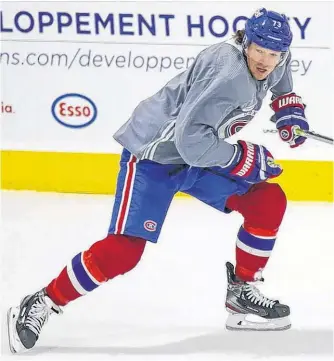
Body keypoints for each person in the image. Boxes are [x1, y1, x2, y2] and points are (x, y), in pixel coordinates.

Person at [7, 7, 309, 353]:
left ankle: (241, 293)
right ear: (245, 42)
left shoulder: (277, 56)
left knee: (268, 201)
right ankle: (42, 301)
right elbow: (189, 143)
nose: (265, 61)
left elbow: (280, 83)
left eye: (274, 54)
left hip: (198, 150)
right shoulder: (228, 73)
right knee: (124, 252)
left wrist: (289, 112)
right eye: (259, 51)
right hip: (155, 155)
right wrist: (244, 158)